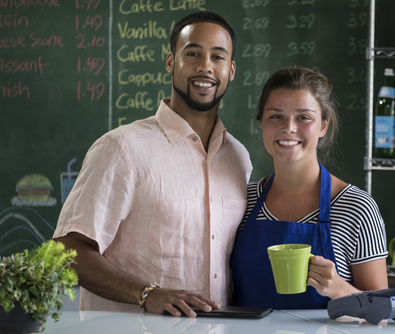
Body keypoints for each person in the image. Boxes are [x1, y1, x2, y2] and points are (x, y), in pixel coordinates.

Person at [53, 12, 252, 318]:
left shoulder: (238, 158)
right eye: (193, 53)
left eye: (218, 57)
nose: (205, 66)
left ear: (231, 70)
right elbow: (67, 251)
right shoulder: (123, 148)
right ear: (171, 62)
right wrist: (146, 294)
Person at [230, 67, 388, 309]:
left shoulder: (358, 208)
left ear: (323, 126)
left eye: (303, 117)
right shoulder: (242, 200)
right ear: (261, 121)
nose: (289, 127)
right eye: (275, 116)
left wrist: (338, 288)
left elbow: (382, 312)